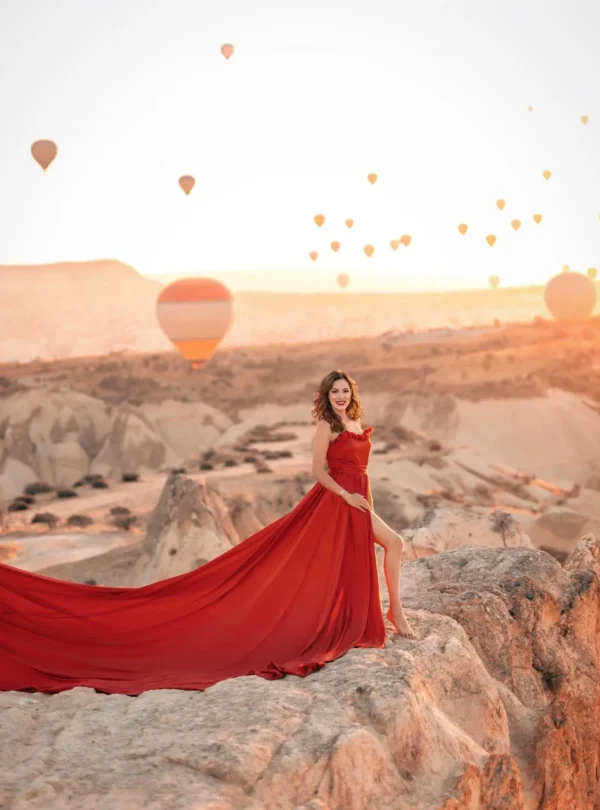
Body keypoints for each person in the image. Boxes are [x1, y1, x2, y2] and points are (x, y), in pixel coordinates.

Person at [0, 370, 415, 696]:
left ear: (351, 393)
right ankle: (391, 613)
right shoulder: (327, 428)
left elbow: (364, 473)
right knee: (381, 547)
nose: (339, 397)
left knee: (393, 543)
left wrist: (366, 502)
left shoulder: (358, 423)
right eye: (333, 392)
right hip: (336, 503)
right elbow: (316, 473)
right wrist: (346, 497)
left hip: (359, 500)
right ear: (325, 397)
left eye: (344, 391)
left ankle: (391, 611)